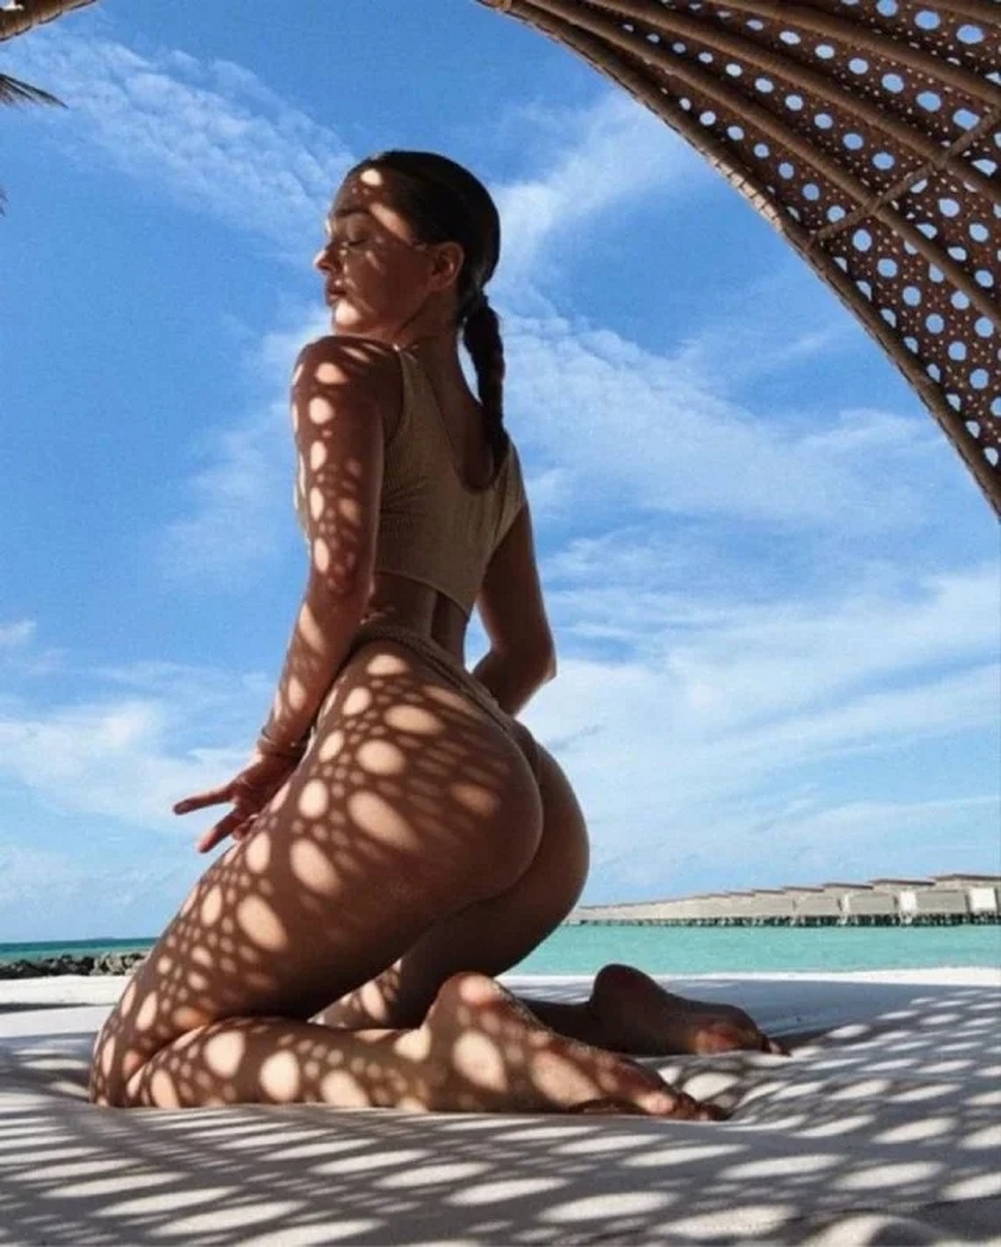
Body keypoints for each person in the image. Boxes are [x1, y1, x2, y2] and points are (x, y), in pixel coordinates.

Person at [88, 151, 780, 1116]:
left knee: (130, 1064)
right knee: (340, 1015)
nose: (323, 259)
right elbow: (530, 655)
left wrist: (281, 751)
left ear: (440, 265)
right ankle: (609, 1016)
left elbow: (340, 582)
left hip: (408, 734)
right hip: (536, 808)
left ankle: (437, 1068)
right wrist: (471, 761)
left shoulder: (343, 368)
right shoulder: (496, 451)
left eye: (354, 237)